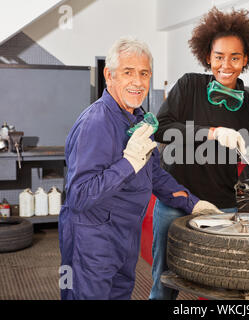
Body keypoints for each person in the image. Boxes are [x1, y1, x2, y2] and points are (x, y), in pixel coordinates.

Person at [58, 36, 221, 300]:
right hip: (92, 239)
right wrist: (128, 163)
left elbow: (154, 174)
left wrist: (193, 203)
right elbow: (79, 195)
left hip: (124, 235)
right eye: (128, 72)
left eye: (144, 73)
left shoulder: (137, 117)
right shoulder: (96, 123)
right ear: (109, 76)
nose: (137, 81)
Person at [150, 8, 249, 300]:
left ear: (246, 60)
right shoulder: (189, 86)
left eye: (235, 57)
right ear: (208, 57)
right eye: (219, 56)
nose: (226, 65)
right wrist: (212, 132)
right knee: (164, 282)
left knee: (221, 286)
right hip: (177, 200)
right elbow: (161, 129)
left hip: (222, 206)